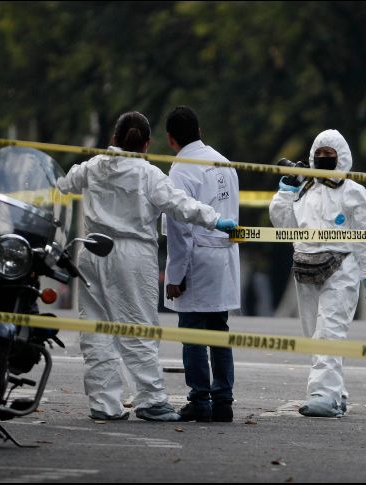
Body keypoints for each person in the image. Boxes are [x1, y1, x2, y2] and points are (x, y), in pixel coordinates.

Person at [56, 111, 237, 422]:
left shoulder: (93, 166)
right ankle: (150, 399)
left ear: (113, 139)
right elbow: (181, 206)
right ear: (147, 144)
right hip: (132, 255)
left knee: (96, 330)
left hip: (91, 251)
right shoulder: (148, 174)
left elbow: (62, 183)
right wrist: (215, 220)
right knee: (138, 327)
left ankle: (104, 403)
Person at [269, 129, 366, 418]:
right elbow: (283, 225)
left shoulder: (353, 191)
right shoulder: (304, 190)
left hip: (341, 267)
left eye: (329, 156)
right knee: (313, 335)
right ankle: (336, 393)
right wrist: (285, 192)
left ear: (342, 158)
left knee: (329, 332)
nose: (323, 160)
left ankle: (323, 395)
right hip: (305, 265)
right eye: (319, 155)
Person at [161, 106, 240, 423]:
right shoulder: (224, 162)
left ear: (170, 139)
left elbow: (179, 228)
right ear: (199, 130)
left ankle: (200, 401)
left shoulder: (181, 169)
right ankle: (223, 401)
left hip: (197, 257)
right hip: (223, 257)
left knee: (193, 333)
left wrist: (175, 274)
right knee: (219, 331)